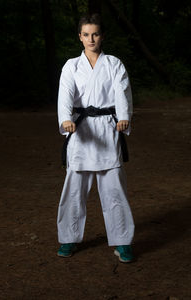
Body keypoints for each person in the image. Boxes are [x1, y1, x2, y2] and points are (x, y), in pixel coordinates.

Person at [57, 13, 135, 263]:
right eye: (86, 34)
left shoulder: (114, 64)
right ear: (80, 37)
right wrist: (65, 119)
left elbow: (121, 92)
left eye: (96, 34)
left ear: (102, 36)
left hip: (107, 128)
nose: (91, 39)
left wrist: (123, 117)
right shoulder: (71, 65)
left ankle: (122, 241)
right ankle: (68, 237)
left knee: (114, 191)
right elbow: (65, 94)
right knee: (74, 190)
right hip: (81, 133)